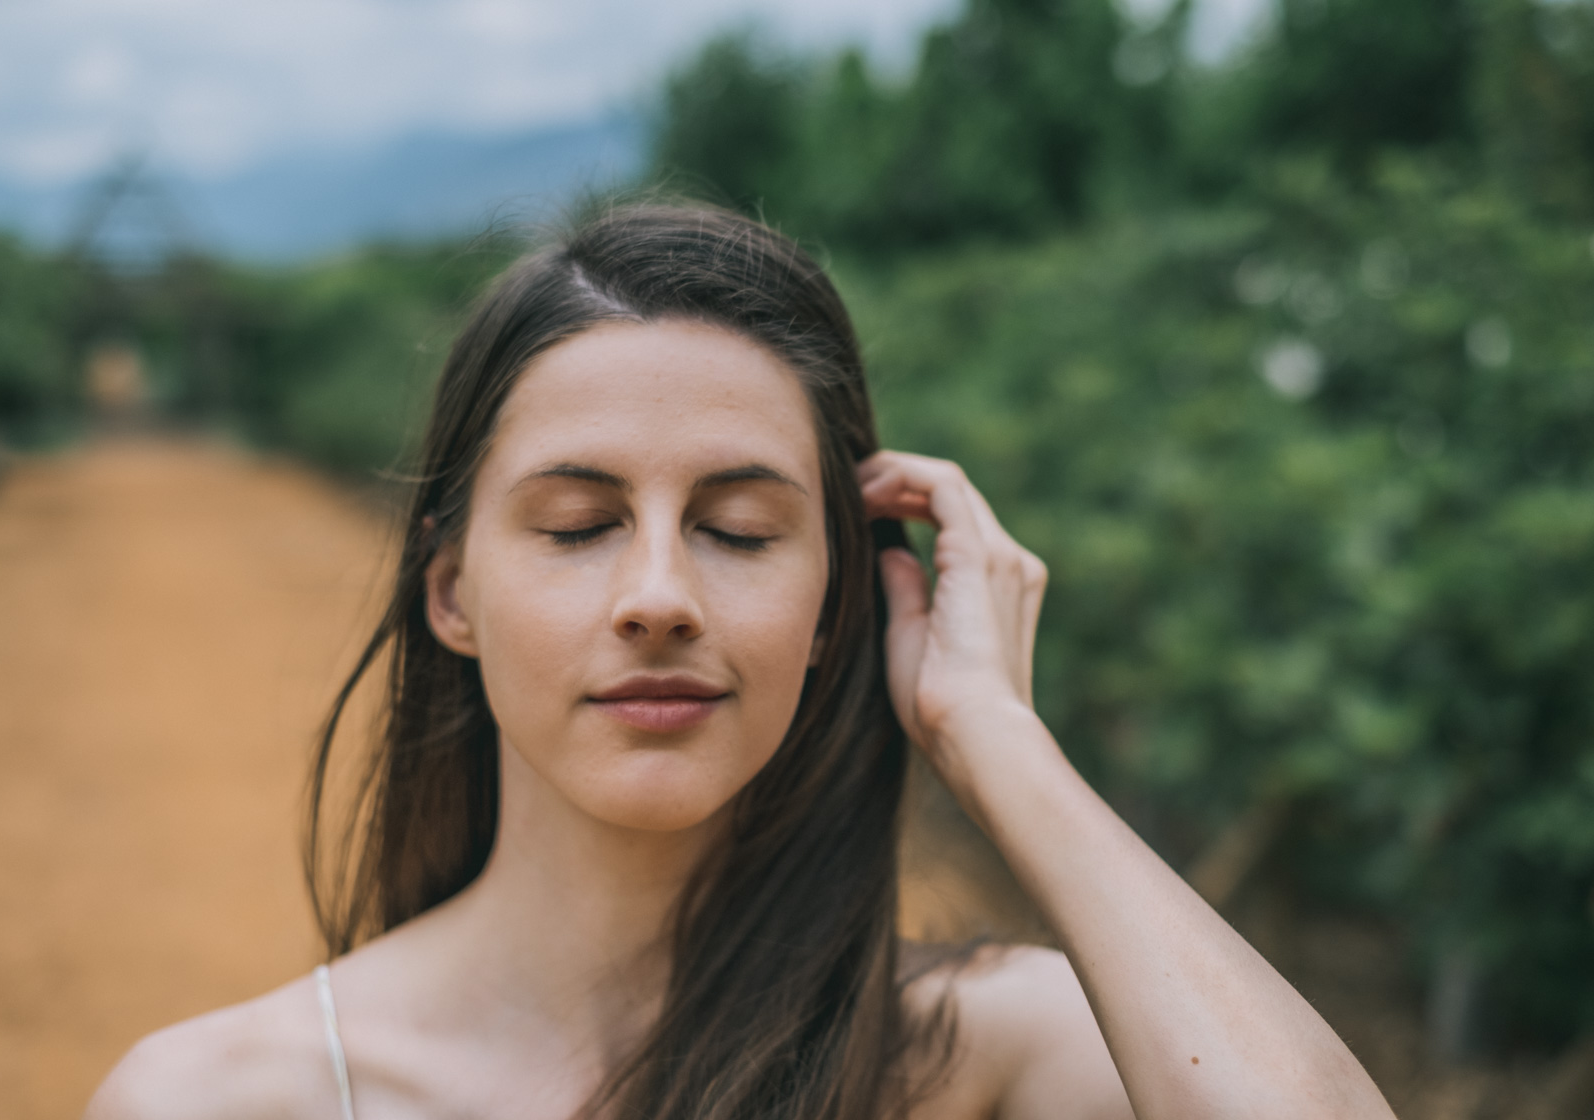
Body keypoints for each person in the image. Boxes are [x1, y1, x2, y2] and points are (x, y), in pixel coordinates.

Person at [85, 202, 1395, 1120]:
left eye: (739, 530)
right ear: (451, 592)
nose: (658, 596)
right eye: (579, 526)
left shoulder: (985, 1056)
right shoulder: (215, 1101)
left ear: (835, 602)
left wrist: (996, 738)